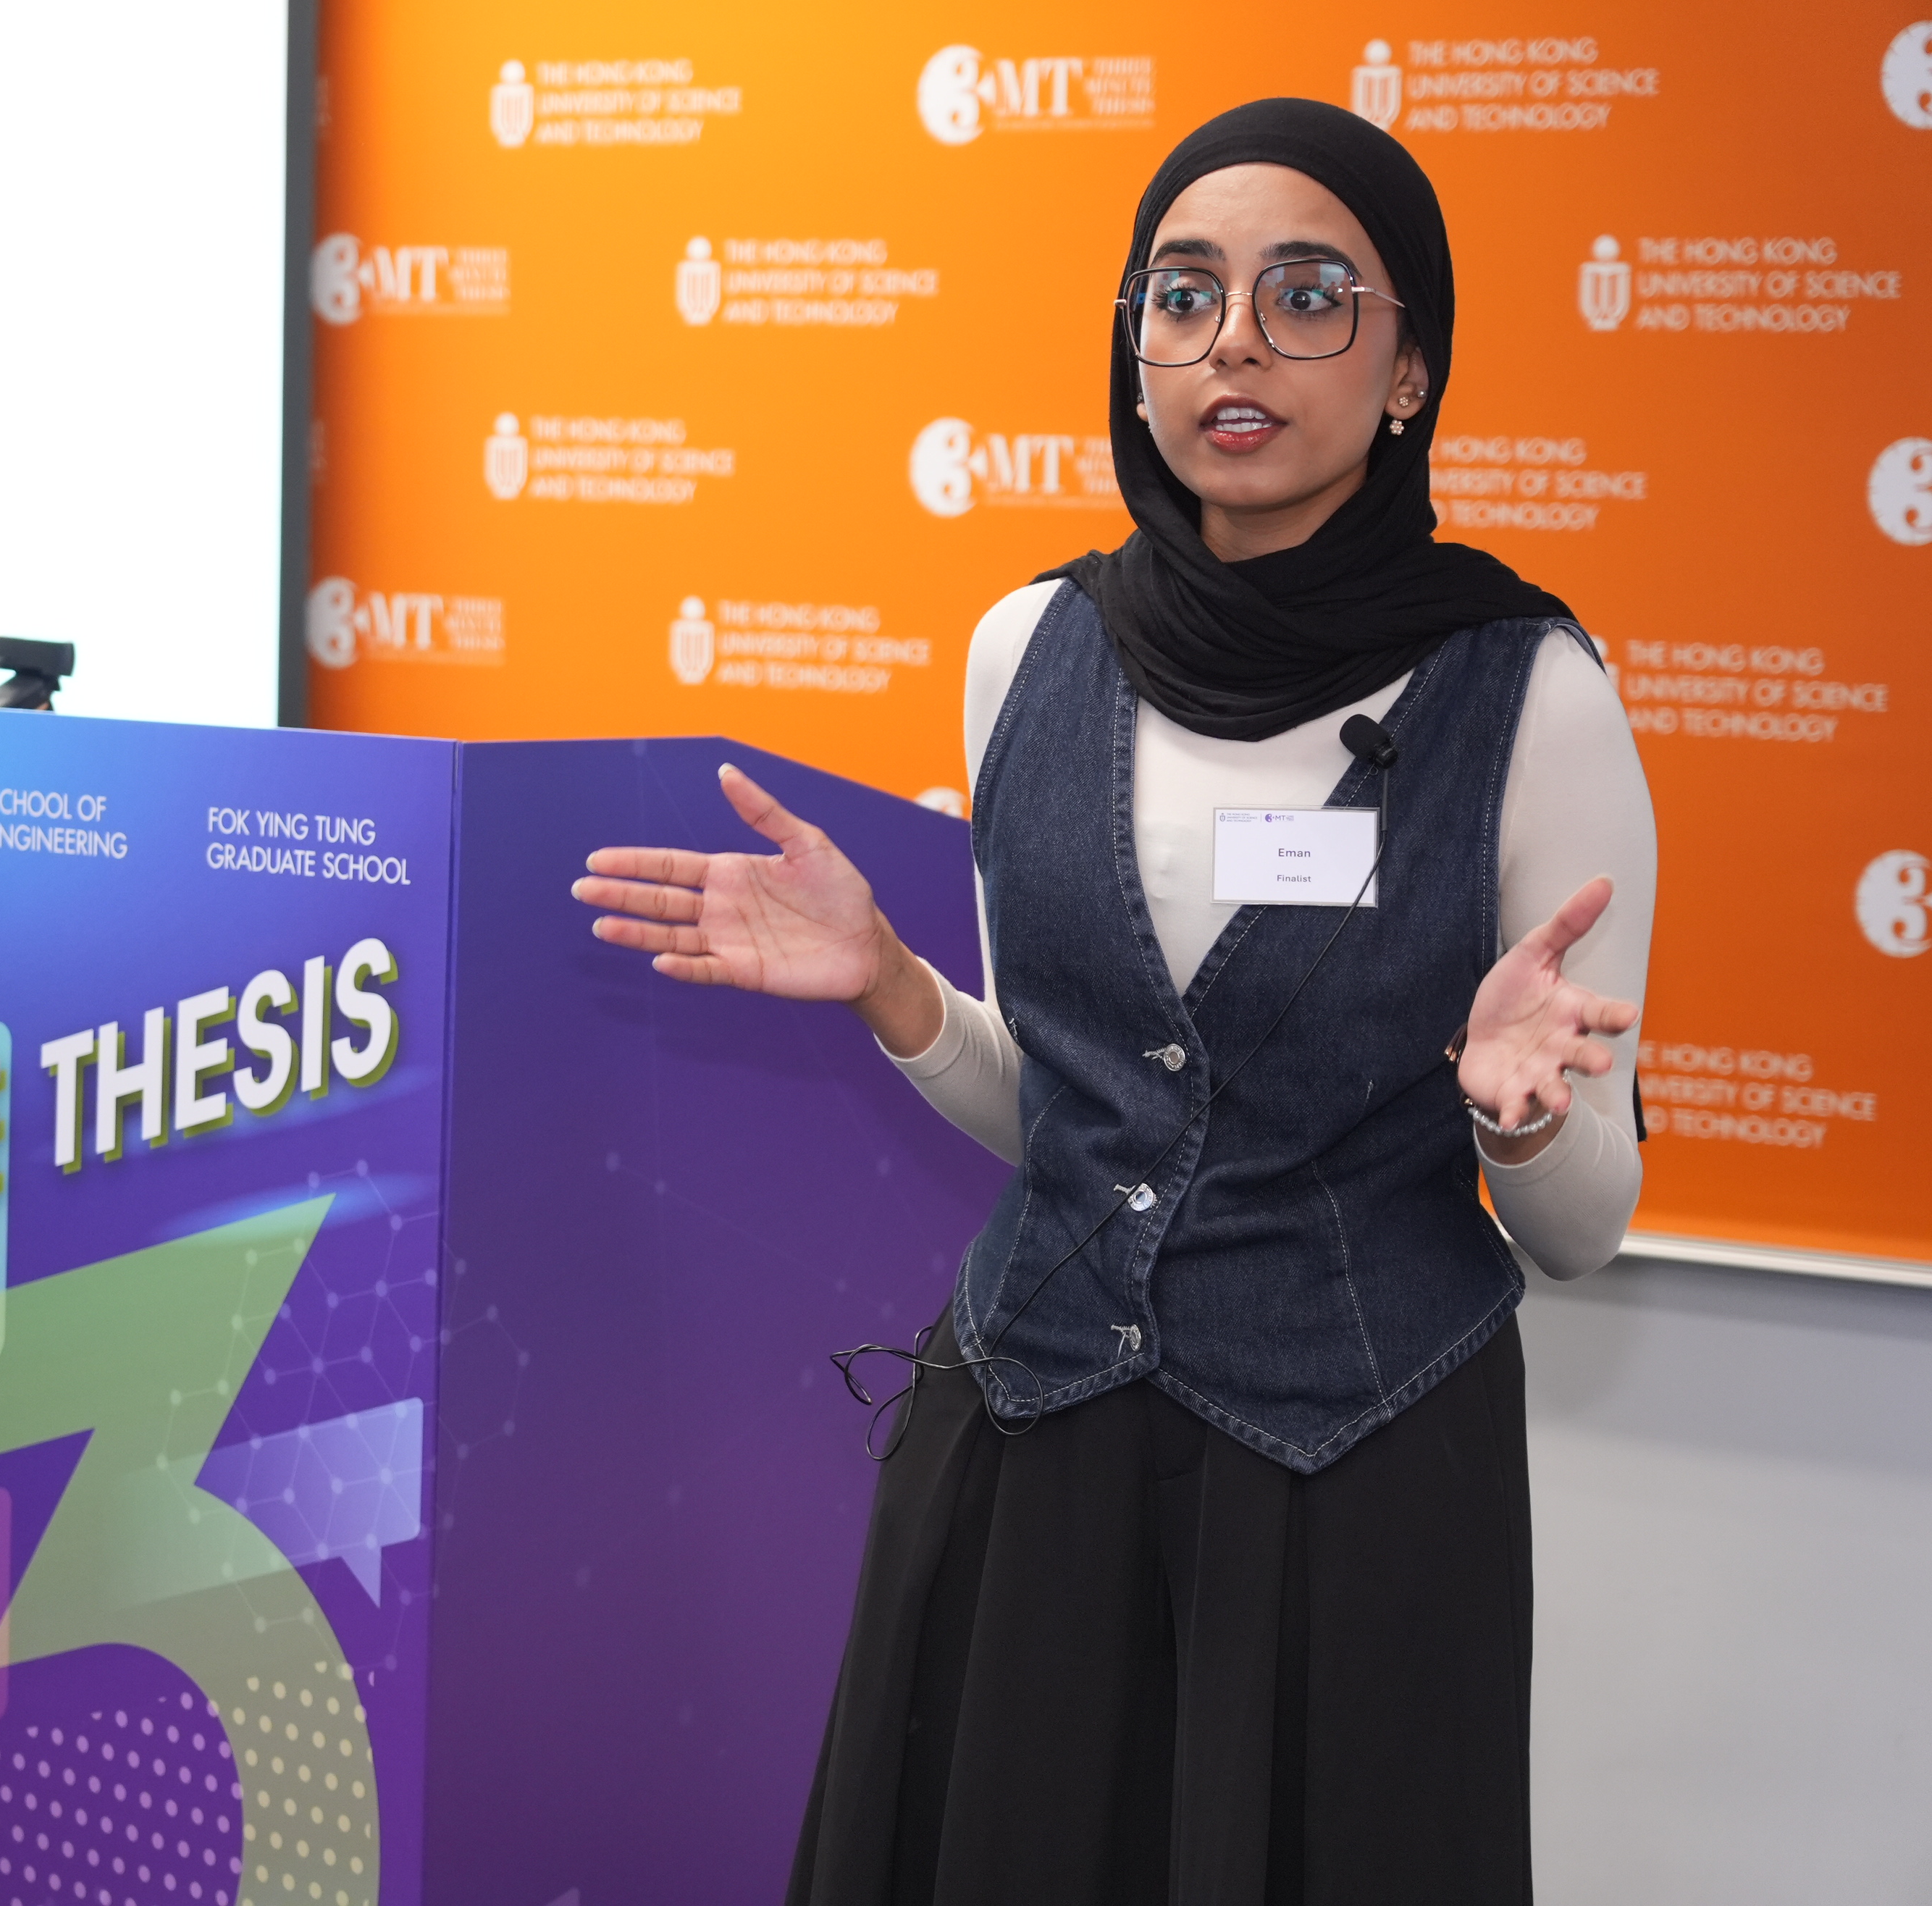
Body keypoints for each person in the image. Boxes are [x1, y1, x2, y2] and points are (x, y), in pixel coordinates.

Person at [570, 99, 1654, 1903]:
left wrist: (1519, 1120)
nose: (1234, 342)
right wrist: (896, 988)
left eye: (1309, 294)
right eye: (1185, 293)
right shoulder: (1030, 649)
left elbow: (1587, 1228)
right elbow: (1076, 1113)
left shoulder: (1533, 699)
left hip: (1355, 1487)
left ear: (1409, 372)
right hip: (1029, 1450)